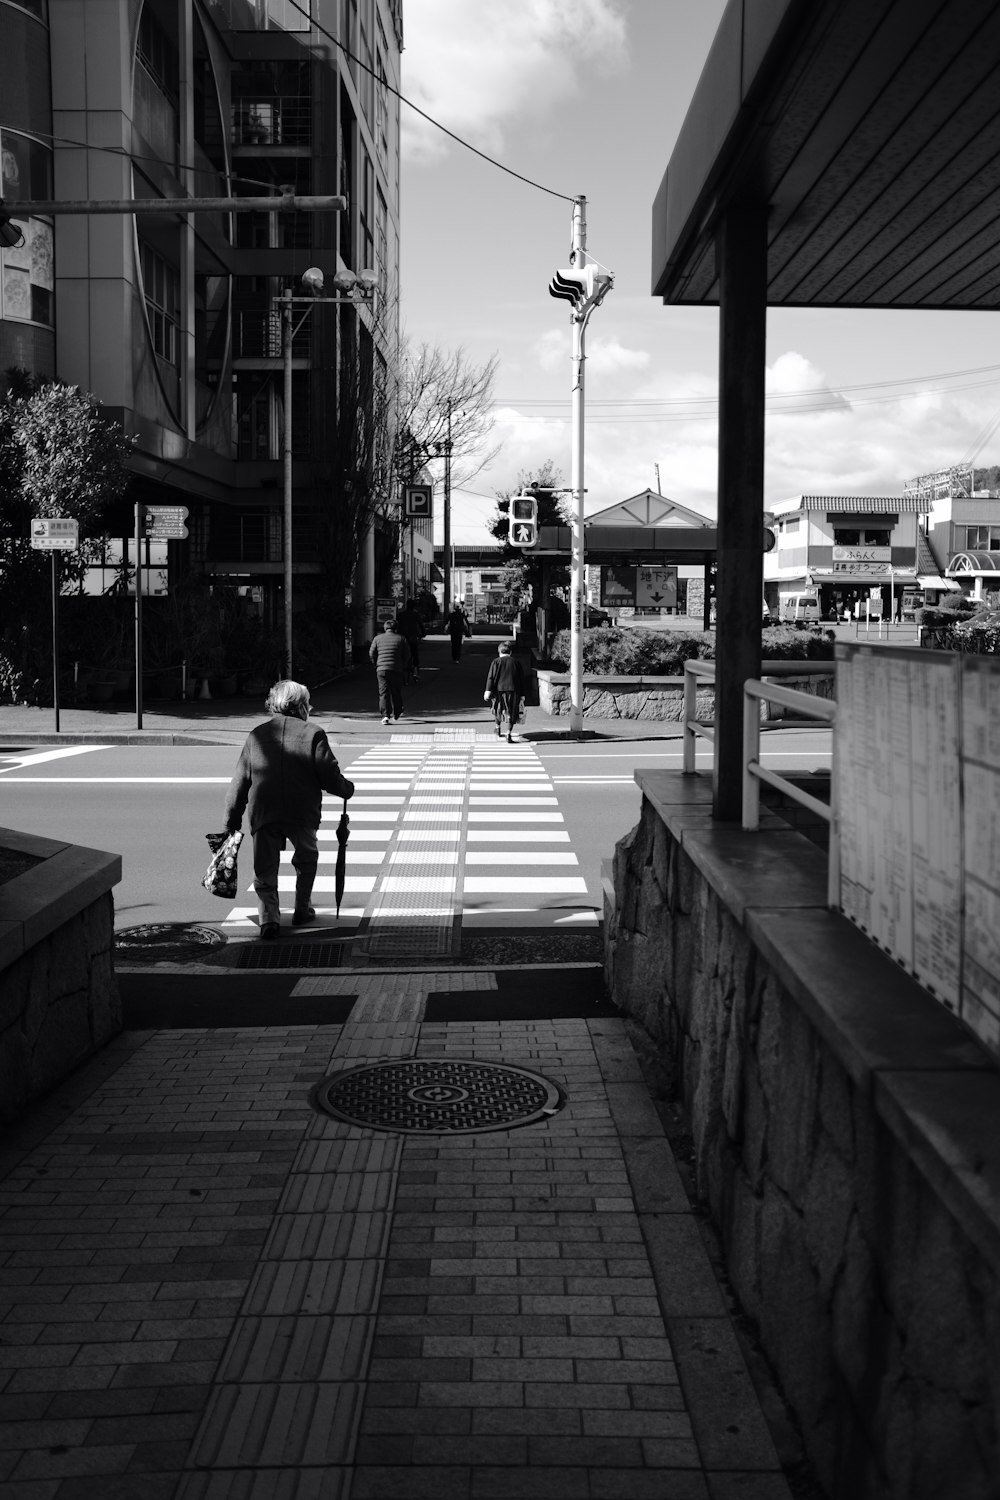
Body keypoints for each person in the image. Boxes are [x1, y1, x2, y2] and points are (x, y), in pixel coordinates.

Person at [223, 679, 354, 940]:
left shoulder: (257, 735)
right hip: (301, 812)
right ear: (300, 706)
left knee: (265, 868)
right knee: (306, 860)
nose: (311, 707)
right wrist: (346, 789)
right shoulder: (313, 733)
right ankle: (301, 910)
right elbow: (329, 776)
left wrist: (231, 820)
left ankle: (268, 919)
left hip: (265, 811)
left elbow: (240, 781)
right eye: (308, 703)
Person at [369, 618, 411, 723]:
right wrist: (402, 664)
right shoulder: (401, 638)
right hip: (396, 668)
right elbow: (407, 654)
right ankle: (397, 712)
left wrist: (376, 664)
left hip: (381, 669)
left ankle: (385, 715)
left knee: (384, 692)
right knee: (396, 691)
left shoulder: (377, 638)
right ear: (396, 628)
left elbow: (371, 653)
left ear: (385, 628)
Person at [485, 640, 526, 742]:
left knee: (498, 708)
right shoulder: (516, 662)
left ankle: (498, 728)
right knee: (512, 710)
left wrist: (488, 691)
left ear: (499, 652)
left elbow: (491, 677)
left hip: (499, 690)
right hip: (514, 690)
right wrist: (522, 694)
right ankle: (508, 733)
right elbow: (521, 679)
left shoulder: (496, 662)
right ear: (510, 652)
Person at [394, 598, 426, 683]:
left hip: (401, 638)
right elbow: (421, 625)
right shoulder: (416, 615)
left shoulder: (400, 615)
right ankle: (415, 671)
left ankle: (399, 669)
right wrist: (423, 633)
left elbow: (396, 626)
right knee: (415, 654)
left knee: (400, 654)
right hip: (412, 638)